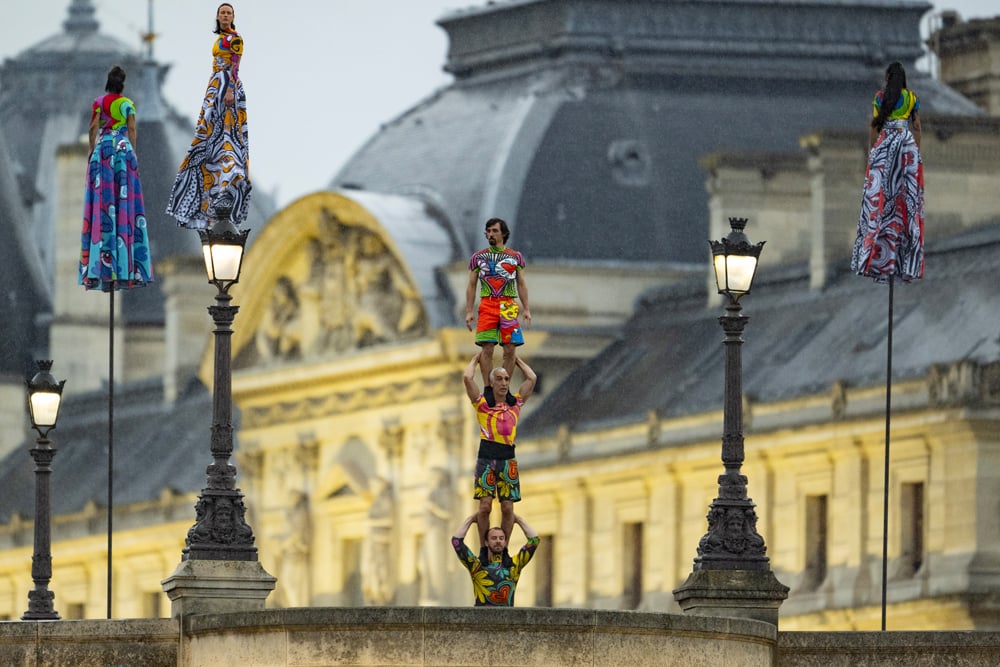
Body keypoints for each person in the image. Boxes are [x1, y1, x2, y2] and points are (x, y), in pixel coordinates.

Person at [166, 3, 252, 229]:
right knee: (208, 134)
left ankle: (226, 165)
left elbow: (235, 67)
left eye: (228, 13)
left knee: (226, 133)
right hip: (216, 86)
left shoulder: (235, 38)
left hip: (225, 87)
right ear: (217, 16)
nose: (225, 15)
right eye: (222, 12)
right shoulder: (221, 37)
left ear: (233, 17)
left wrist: (230, 89)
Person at [79, 65, 152, 291]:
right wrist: (133, 151)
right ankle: (124, 260)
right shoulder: (128, 104)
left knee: (104, 199)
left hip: (103, 150)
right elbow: (131, 129)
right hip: (123, 150)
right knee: (124, 200)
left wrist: (93, 149)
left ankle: (101, 255)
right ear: (122, 85)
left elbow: (93, 127)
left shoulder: (98, 102)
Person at [851, 61, 924, 283]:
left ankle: (877, 248)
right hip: (906, 146)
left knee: (880, 199)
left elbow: (874, 127)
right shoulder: (911, 98)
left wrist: (873, 151)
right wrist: (916, 152)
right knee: (907, 200)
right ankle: (904, 251)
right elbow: (917, 127)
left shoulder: (880, 98)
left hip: (884, 145)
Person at [463, 353, 536, 548]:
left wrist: (517, 359)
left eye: (506, 379)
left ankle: (503, 547)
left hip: (507, 457)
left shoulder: (515, 405)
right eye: (499, 379)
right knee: (485, 506)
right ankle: (483, 546)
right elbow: (468, 379)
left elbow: (532, 378)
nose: (504, 383)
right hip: (487, 456)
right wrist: (475, 359)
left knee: (507, 507)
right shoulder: (483, 405)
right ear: (491, 383)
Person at [465, 218, 531, 385]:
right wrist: (469, 310)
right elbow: (471, 285)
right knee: (487, 347)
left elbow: (521, 283)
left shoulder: (515, 257)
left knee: (510, 348)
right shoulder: (478, 257)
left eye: (494, 230)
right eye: (488, 231)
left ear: (503, 233)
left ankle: (503, 385)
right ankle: (488, 387)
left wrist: (526, 308)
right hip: (488, 303)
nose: (490, 234)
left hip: (508, 304)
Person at [452, 512, 539, 607]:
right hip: (481, 619)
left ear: (505, 542)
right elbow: (456, 541)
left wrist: (518, 519)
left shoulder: (513, 565)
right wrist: (471, 519)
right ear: (486, 542)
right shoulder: (477, 566)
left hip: (506, 620)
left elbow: (534, 540)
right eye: (494, 538)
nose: (498, 541)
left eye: (501, 538)